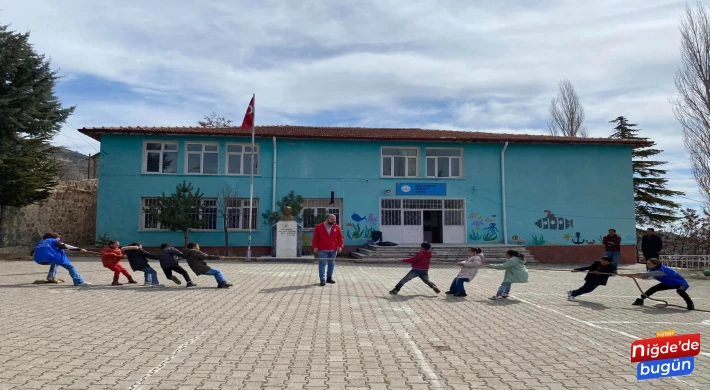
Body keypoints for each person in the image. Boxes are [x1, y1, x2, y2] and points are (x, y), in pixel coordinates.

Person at [620, 258, 694, 311]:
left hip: (681, 284)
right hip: (668, 283)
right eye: (647, 263)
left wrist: (627, 274)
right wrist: (630, 276)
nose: (647, 265)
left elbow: (642, 275)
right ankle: (640, 299)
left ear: (655, 264)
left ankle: (690, 304)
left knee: (680, 291)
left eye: (649, 263)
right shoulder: (653, 269)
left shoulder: (661, 270)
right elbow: (646, 277)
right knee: (654, 288)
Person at [311, 213, 344, 286]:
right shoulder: (319, 227)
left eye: (334, 219)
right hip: (322, 249)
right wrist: (315, 246)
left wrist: (340, 246)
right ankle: (322, 279)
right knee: (322, 264)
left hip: (333, 249)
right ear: (326, 219)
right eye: (332, 219)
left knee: (331, 264)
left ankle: (329, 278)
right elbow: (315, 238)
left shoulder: (337, 227)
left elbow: (340, 238)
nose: (334, 221)